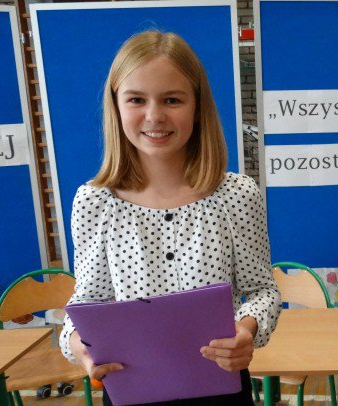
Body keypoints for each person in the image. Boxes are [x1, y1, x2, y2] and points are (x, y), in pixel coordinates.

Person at [58, 30, 281, 405]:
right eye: (136, 99)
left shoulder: (236, 195)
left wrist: (247, 329)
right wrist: (79, 345)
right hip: (131, 390)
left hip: (220, 388)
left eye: (172, 99)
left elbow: (262, 290)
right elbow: (87, 303)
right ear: (116, 106)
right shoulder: (95, 201)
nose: (154, 116)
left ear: (197, 106)